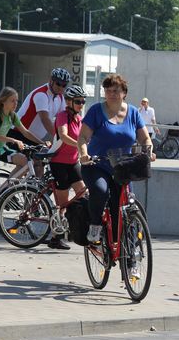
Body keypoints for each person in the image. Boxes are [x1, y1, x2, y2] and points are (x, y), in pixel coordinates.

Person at [77, 74, 156, 245]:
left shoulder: (133, 112)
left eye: (116, 90)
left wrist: (148, 151)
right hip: (96, 165)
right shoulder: (96, 111)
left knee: (124, 206)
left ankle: (129, 252)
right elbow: (83, 137)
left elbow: (144, 139)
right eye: (108, 90)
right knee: (101, 191)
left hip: (123, 168)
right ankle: (95, 226)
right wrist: (83, 154)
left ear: (124, 93)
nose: (111, 94)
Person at [0, 86, 46, 198]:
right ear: (3, 101)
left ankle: (5, 190)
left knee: (25, 163)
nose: (15, 103)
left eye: (17, 101)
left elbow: (25, 132)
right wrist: (13, 140)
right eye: (12, 101)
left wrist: (41, 143)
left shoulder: (12, 116)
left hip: (2, 149)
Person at [46, 85, 88, 250]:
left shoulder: (78, 118)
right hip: (59, 163)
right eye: (78, 101)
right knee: (62, 203)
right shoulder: (62, 116)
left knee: (83, 193)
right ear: (69, 101)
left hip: (73, 162)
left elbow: (85, 135)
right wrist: (79, 145)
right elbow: (63, 135)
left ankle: (74, 226)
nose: (81, 104)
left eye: (83, 101)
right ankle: (56, 237)